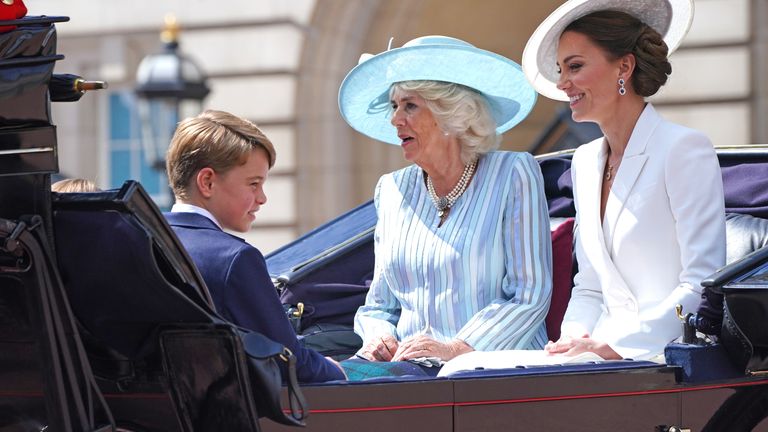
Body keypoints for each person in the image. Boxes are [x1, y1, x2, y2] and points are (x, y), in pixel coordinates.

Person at [521, 0, 725, 361]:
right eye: (560, 68)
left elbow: (701, 283)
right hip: (596, 359)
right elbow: (589, 287)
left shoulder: (683, 149)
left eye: (575, 66)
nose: (562, 82)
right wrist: (571, 345)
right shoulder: (583, 162)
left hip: (663, 358)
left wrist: (617, 348)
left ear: (624, 67)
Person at [338, 36, 553, 365]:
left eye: (409, 105)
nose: (396, 119)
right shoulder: (392, 189)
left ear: (452, 115)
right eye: (394, 106)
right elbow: (379, 305)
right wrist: (379, 335)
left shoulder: (513, 173)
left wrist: (458, 349)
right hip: (410, 373)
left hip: (495, 370)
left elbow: (530, 294)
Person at [163, 109, 345, 382]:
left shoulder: (139, 239)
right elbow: (287, 362)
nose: (262, 198)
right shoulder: (235, 258)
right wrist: (339, 370)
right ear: (207, 181)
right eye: (253, 183)